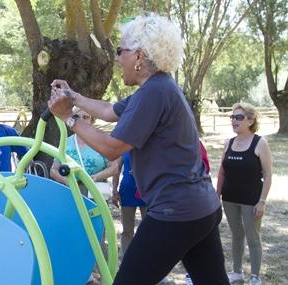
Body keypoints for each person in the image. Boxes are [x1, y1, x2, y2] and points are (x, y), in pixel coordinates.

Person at [48, 13, 228, 284]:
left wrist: (68, 118)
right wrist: (73, 97)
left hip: (175, 211)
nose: (117, 58)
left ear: (140, 57)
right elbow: (109, 110)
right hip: (202, 208)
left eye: (121, 51)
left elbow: (112, 148)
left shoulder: (154, 93)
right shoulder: (159, 87)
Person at [217, 103, 272, 285]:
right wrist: (217, 195)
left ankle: (255, 277)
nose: (234, 120)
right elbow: (222, 172)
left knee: (252, 236)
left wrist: (262, 201)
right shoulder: (229, 143)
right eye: (232, 117)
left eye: (238, 117)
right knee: (236, 234)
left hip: (251, 199)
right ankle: (237, 272)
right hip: (230, 198)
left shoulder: (260, 143)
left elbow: (268, 174)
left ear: (250, 120)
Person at [50, 108, 118, 197]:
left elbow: (114, 168)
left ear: (92, 120)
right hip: (71, 193)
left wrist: (96, 177)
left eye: (85, 117)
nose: (81, 120)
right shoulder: (65, 143)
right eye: (77, 117)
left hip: (96, 192)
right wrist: (66, 180)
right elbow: (53, 170)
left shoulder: (101, 141)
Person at [111, 152, 146, 259]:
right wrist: (114, 191)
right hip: (127, 191)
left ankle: (146, 254)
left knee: (148, 227)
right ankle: (126, 257)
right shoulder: (124, 148)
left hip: (147, 190)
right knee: (127, 228)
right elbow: (115, 170)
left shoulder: (151, 145)